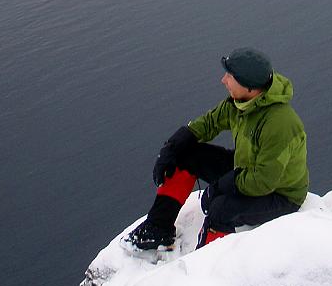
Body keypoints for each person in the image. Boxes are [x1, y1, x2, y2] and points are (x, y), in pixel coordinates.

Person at [123, 48, 309, 253]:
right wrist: (172, 147)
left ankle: (205, 267)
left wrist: (223, 186)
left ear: (249, 86)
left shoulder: (279, 124)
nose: (223, 80)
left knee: (220, 209)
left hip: (280, 194)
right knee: (186, 154)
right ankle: (158, 228)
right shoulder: (241, 103)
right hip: (245, 169)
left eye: (230, 76)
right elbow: (209, 123)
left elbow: (264, 182)